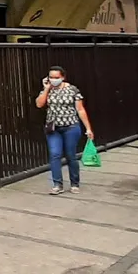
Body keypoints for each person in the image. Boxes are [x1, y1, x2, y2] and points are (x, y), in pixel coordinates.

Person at [35, 66, 94, 195]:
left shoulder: (72, 90)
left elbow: (80, 109)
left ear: (63, 77)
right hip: (53, 128)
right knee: (55, 154)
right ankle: (57, 184)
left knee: (70, 155)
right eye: (51, 77)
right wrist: (46, 89)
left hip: (70, 127)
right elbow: (39, 104)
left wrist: (88, 128)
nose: (53, 80)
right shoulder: (47, 90)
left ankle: (74, 183)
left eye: (56, 77)